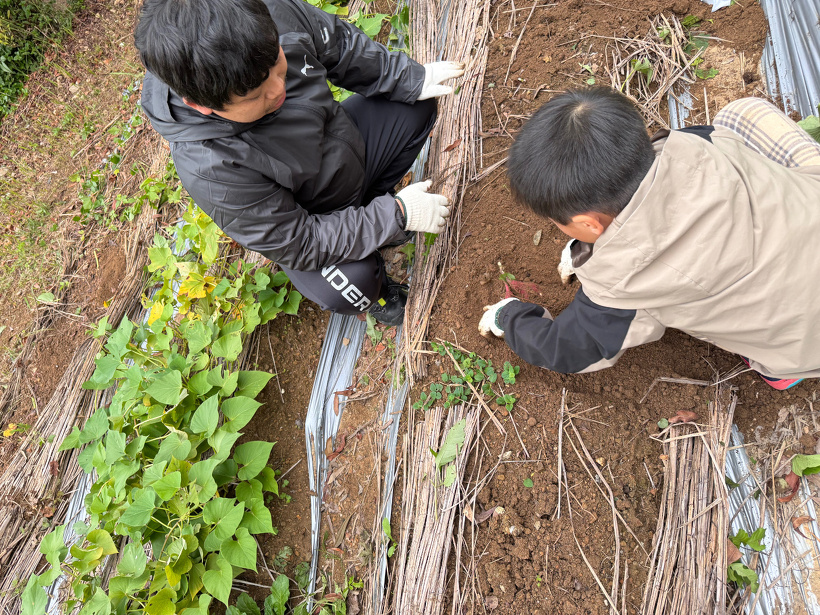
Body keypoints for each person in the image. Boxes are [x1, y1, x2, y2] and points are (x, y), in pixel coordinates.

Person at [135, 0, 464, 326]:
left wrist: (406, 77)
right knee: (351, 284)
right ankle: (380, 294)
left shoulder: (262, 17)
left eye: (277, 63)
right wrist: (396, 214)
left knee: (413, 105)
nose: (279, 88)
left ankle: (375, 207)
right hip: (313, 223)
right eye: (254, 95)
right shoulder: (210, 167)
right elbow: (300, 242)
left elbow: (337, 44)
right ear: (202, 105)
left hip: (342, 148)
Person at [479, 88, 820, 390]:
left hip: (808, 345)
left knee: (789, 341)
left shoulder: (622, 286)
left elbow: (567, 349)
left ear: (588, 224)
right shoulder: (699, 141)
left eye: (557, 222)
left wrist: (510, 318)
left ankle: (783, 370)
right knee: (739, 114)